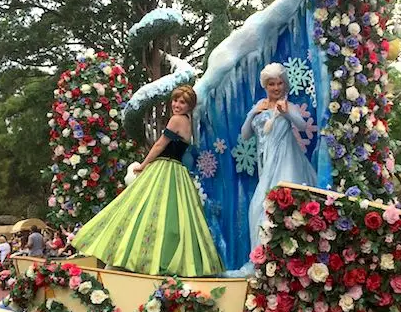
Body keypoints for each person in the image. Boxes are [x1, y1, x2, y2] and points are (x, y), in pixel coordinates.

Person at [72, 85, 223, 276]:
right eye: (175, 100)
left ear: (189, 105)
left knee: (141, 210)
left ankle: (135, 259)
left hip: (164, 168)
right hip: (179, 172)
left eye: (182, 102)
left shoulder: (176, 120)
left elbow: (160, 144)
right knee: (174, 217)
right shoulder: (188, 122)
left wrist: (143, 165)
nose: (177, 105)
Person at [241, 63, 317, 250]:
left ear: (285, 85)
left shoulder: (287, 105)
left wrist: (287, 114)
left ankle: (289, 252)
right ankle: (264, 254)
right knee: (259, 208)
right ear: (265, 86)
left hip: (285, 159)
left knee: (284, 203)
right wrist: (252, 114)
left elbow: (301, 126)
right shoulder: (259, 106)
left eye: (279, 83)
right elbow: (245, 135)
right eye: (271, 84)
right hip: (265, 161)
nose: (276, 88)